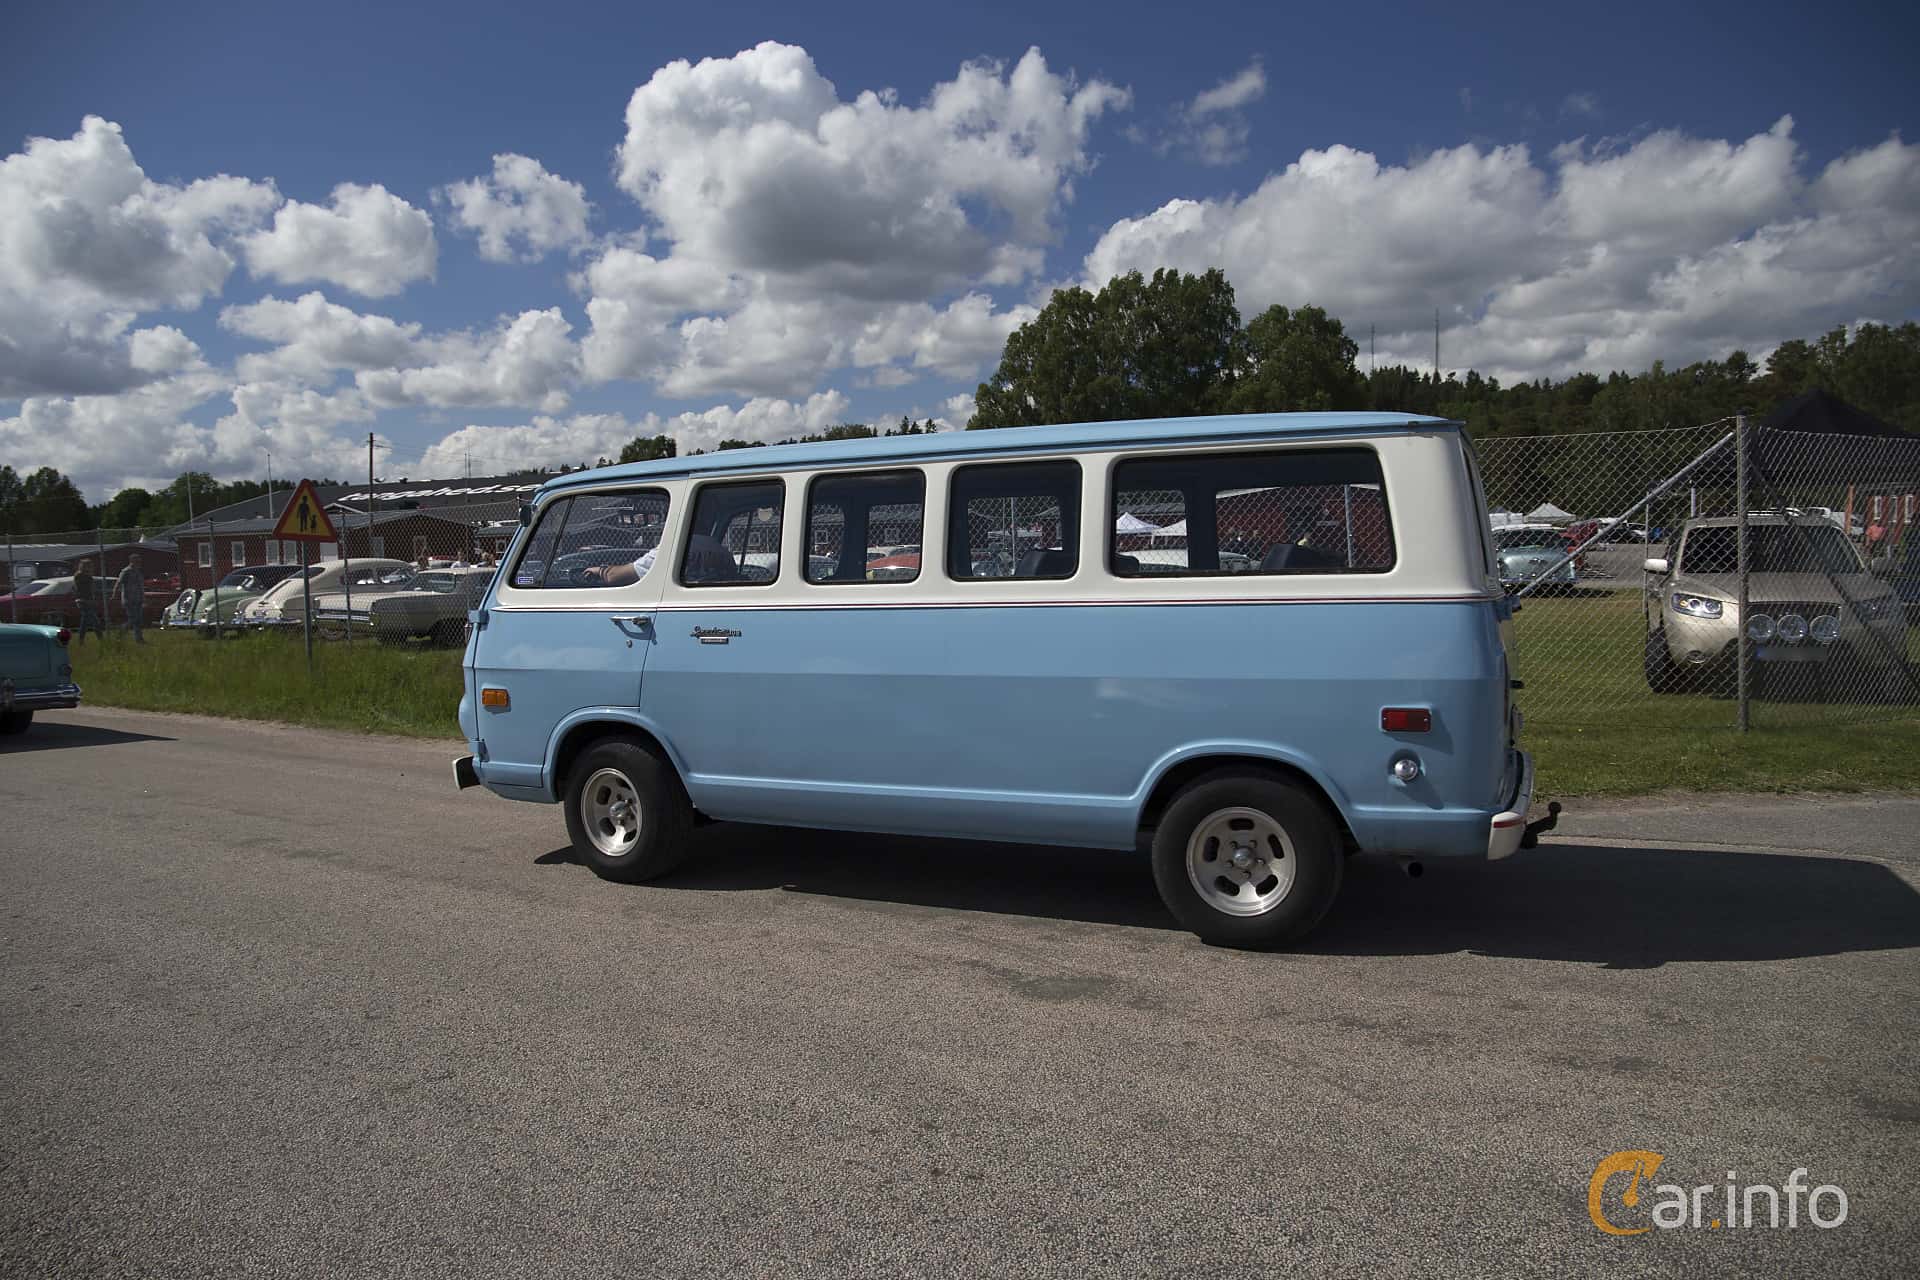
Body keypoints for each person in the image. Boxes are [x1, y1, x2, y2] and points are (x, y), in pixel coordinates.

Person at [111, 552, 145, 643]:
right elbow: (119, 583)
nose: (139, 562)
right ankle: (121, 631)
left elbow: (141, 586)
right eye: (137, 561)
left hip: (138, 599)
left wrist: (143, 598)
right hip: (129, 599)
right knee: (133, 619)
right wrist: (114, 594)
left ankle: (139, 638)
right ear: (132, 561)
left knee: (138, 620)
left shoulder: (139, 572)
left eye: (139, 561)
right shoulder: (126, 571)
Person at [72, 558, 101, 644]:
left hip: (87, 600)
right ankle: (101, 639)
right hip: (83, 600)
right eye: (89, 566)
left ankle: (81, 640)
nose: (91, 568)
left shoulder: (86, 576)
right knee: (95, 621)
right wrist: (89, 600)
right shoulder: (80, 576)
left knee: (85, 622)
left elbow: (91, 589)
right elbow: (82, 590)